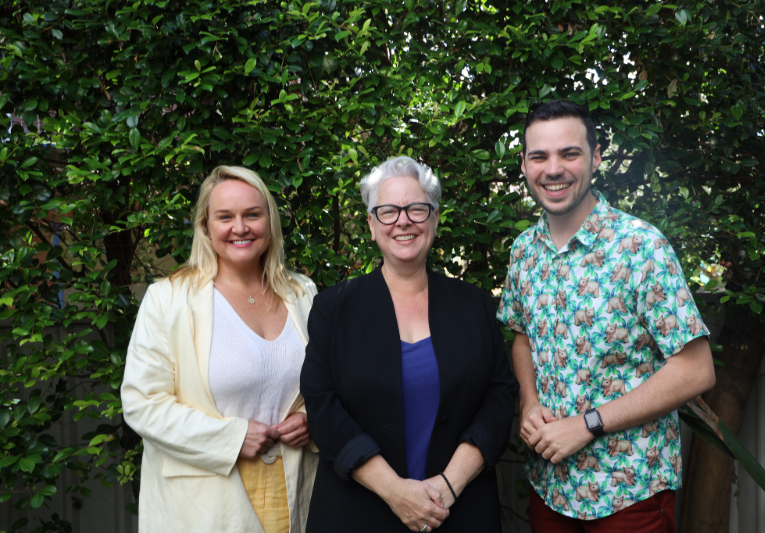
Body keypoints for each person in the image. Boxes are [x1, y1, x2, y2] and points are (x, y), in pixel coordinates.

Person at [497, 100, 716, 531]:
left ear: (596, 158)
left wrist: (588, 424)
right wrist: (529, 402)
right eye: (539, 156)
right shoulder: (524, 251)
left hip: (628, 492)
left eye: (570, 153)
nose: (553, 168)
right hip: (550, 487)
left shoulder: (640, 247)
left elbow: (696, 370)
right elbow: (521, 335)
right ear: (524, 165)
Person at [300, 156, 518, 532]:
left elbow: (500, 399)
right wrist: (396, 493)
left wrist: (448, 486)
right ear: (371, 225)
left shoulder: (476, 305)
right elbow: (322, 407)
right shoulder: (333, 309)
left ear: (434, 218)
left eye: (416, 209)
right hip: (358, 514)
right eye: (387, 211)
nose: (403, 221)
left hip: (458, 512)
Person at [121, 166, 318, 533]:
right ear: (205, 226)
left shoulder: (302, 294)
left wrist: (312, 420)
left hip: (297, 495)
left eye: (252, 215)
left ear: (269, 222)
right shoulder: (168, 299)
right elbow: (142, 403)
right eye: (225, 217)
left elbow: (329, 383)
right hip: (205, 508)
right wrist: (231, 437)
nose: (240, 228)